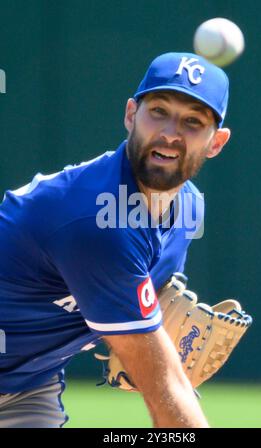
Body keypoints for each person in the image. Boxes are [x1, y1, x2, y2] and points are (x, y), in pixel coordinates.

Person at [0, 52, 231, 428]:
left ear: (216, 143)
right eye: (158, 111)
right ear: (130, 115)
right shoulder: (96, 220)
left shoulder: (188, 209)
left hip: (27, 386)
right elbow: (166, 393)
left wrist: (148, 347)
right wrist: (157, 362)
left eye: (192, 122)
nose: (171, 132)